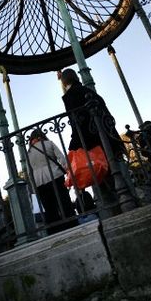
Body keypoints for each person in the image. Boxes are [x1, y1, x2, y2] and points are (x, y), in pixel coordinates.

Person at [59, 68, 124, 207]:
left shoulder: (70, 96)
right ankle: (126, 202)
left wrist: (74, 145)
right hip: (108, 139)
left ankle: (113, 212)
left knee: (100, 180)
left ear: (64, 83)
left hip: (90, 144)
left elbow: (77, 122)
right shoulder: (90, 92)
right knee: (116, 176)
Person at [26, 128, 77, 234]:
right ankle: (72, 225)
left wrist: (33, 185)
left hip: (39, 181)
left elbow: (29, 172)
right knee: (64, 202)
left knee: (49, 208)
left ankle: (54, 231)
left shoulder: (29, 153)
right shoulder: (49, 144)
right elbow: (62, 159)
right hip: (55, 175)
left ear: (31, 139)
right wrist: (68, 170)